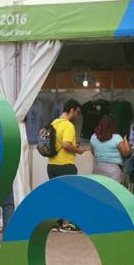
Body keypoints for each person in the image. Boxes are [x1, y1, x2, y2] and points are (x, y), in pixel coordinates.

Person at [47, 99, 85, 232]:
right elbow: (66, 144)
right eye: (77, 112)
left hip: (51, 165)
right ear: (72, 110)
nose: (77, 115)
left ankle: (54, 223)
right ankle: (66, 224)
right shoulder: (68, 125)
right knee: (70, 195)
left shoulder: (54, 123)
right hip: (65, 165)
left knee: (57, 195)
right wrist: (78, 150)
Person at [89, 114, 130, 184]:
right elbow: (126, 153)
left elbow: (93, 152)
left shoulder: (93, 137)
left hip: (98, 169)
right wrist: (125, 140)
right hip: (114, 171)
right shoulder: (116, 138)